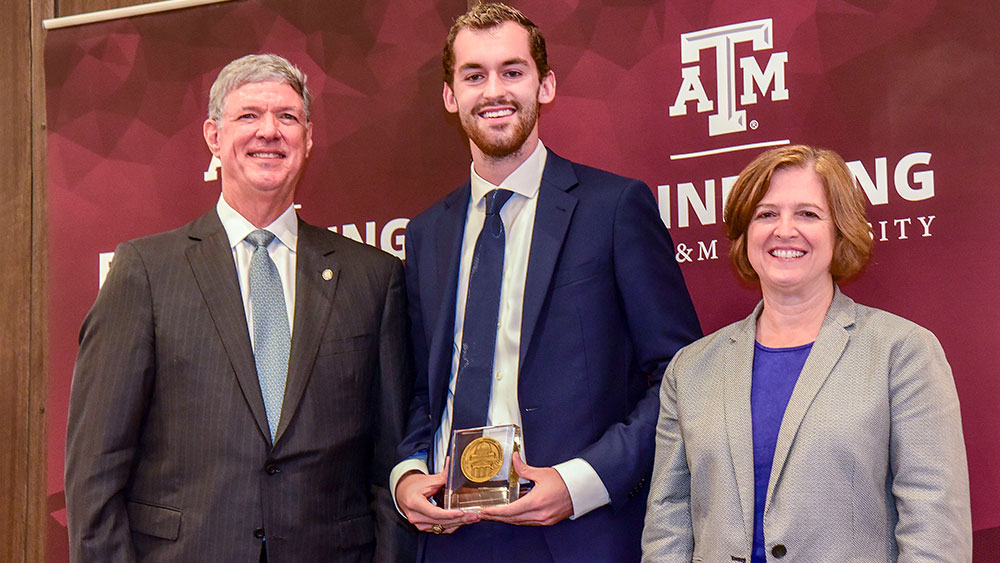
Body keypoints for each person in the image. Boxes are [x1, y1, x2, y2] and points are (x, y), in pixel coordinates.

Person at [65, 54, 414, 562]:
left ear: (309, 138)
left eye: (287, 117)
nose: (268, 132)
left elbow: (391, 466)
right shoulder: (144, 271)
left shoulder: (373, 278)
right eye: (248, 115)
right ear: (213, 136)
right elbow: (96, 470)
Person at [391, 4, 702, 561]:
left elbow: (679, 377)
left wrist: (582, 481)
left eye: (513, 72)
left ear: (545, 85)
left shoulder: (614, 209)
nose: (494, 91)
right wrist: (409, 473)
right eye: (474, 75)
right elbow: (419, 387)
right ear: (449, 95)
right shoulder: (427, 233)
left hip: (577, 532)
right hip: (450, 538)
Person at [641, 145, 971, 561]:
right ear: (745, 237)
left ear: (840, 231)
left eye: (807, 214)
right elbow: (667, 524)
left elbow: (934, 528)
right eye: (766, 214)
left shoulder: (902, 353)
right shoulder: (690, 369)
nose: (784, 230)